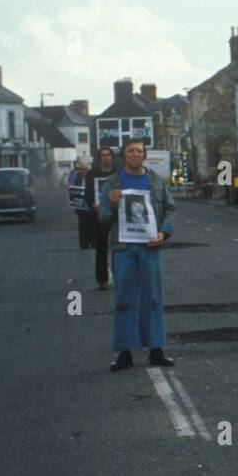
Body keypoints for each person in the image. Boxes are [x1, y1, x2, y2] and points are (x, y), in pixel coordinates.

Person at [97, 138, 176, 371]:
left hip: (150, 248)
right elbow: (102, 220)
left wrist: (163, 233)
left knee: (152, 299)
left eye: (139, 151)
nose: (135, 154)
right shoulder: (111, 183)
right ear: (123, 156)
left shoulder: (156, 181)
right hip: (124, 249)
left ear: (144, 155)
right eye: (131, 151)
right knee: (124, 300)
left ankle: (156, 349)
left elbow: (170, 210)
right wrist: (111, 205)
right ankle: (124, 352)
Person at [88, 147, 116, 289]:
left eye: (108, 155)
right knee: (101, 247)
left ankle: (120, 275)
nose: (106, 157)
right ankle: (102, 279)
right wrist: (93, 204)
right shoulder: (92, 174)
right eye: (103, 155)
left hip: (116, 214)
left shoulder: (117, 173)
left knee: (119, 246)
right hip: (99, 214)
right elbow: (87, 194)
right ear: (99, 158)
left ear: (112, 157)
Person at [69, 157, 94, 249]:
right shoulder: (75, 176)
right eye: (82, 169)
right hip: (80, 205)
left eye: (86, 169)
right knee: (82, 224)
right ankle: (84, 244)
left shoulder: (92, 177)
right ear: (79, 169)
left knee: (92, 224)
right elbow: (71, 188)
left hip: (90, 204)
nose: (84, 171)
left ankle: (93, 242)